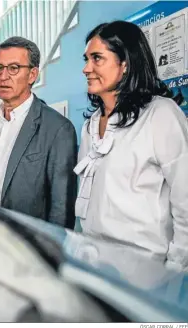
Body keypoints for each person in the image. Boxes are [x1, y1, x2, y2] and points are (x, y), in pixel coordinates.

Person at [76, 21, 188, 269]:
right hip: (94, 262)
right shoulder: (90, 126)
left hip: (145, 268)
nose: (86, 68)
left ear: (125, 64)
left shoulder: (160, 113)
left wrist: (176, 269)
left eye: (97, 58)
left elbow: (185, 200)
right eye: (86, 59)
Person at [0, 37, 77, 229]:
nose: (3, 76)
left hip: (23, 247)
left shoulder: (58, 129)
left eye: (14, 68)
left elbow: (61, 209)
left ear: (32, 74)